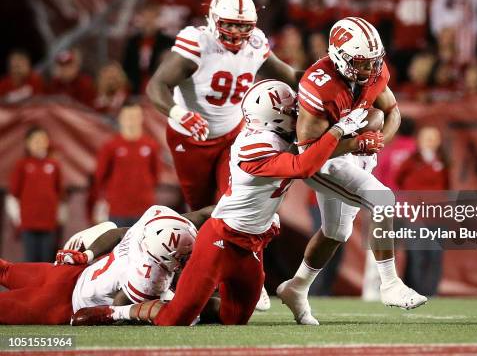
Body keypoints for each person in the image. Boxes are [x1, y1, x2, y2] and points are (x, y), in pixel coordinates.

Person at [70, 80, 369, 326]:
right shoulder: (255, 145)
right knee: (176, 320)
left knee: (234, 318)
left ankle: (179, 297)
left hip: (252, 242)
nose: (298, 115)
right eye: (292, 111)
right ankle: (116, 312)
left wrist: (351, 134)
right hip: (221, 238)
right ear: (274, 117)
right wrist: (341, 132)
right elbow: (304, 165)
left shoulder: (276, 135)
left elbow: (312, 148)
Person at [276, 17, 427, 326]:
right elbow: (307, 151)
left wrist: (379, 140)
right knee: (382, 199)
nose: (370, 70)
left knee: (336, 232)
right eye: (362, 62)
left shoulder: (372, 71)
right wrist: (356, 143)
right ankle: (389, 284)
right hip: (320, 159)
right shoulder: (320, 87)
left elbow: (392, 111)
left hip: (349, 150)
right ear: (339, 56)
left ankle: (296, 287)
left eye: (374, 62)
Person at [146, 0, 303, 211]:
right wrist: (180, 114)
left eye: (243, 26)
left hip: (232, 133)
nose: (236, 32)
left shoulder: (256, 44)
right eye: (229, 24)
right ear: (213, 19)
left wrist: (327, 76)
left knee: (237, 197)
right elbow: (157, 85)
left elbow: (291, 76)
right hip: (191, 138)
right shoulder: (199, 43)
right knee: (202, 208)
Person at [0, 205, 204, 325]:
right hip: (64, 290)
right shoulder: (150, 278)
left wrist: (87, 256)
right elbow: (118, 309)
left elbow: (119, 233)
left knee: (6, 271)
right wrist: (86, 256)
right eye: (185, 257)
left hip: (66, 286)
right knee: (5, 272)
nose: (189, 260)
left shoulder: (154, 227)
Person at [395, 126, 449, 296]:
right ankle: (416, 292)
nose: (430, 141)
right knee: (416, 256)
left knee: (435, 256)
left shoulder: (444, 161)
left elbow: (447, 186)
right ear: (419, 140)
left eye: (434, 137)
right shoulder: (411, 161)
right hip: (416, 216)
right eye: (427, 137)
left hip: (437, 217)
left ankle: (432, 292)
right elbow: (399, 179)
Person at [94, 102, 160, 228]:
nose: (132, 121)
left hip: (144, 209)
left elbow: (155, 175)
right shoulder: (111, 146)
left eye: (135, 116)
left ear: (141, 118)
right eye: (128, 117)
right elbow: (100, 176)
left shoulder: (151, 145)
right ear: (121, 118)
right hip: (118, 209)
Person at [6, 126, 66, 262]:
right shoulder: (22, 165)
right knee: (31, 261)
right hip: (28, 224)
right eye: (35, 140)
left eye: (42, 139)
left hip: (49, 223)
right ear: (28, 143)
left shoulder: (54, 165)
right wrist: (18, 218)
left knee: (47, 262)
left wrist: (59, 217)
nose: (39, 143)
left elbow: (60, 194)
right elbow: (13, 195)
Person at [122, 4, 173, 95]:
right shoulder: (133, 42)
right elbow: (127, 65)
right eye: (146, 17)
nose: (148, 21)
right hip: (136, 84)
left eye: (152, 17)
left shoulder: (167, 42)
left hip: (158, 84)